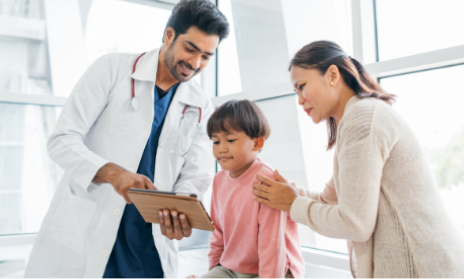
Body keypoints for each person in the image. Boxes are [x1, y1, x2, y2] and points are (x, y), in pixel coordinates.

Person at [24, 1, 229, 278]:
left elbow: (196, 173)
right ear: (169, 35)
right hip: (89, 230)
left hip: (148, 245)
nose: (195, 63)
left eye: (206, 56)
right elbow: (61, 139)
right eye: (190, 49)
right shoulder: (112, 70)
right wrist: (111, 172)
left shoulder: (200, 104)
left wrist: (181, 209)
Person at [252, 41, 464, 278]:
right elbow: (329, 200)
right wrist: (290, 193)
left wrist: (293, 204)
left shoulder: (362, 119)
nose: (300, 100)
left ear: (332, 75)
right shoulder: (358, 117)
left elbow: (354, 223)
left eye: (302, 86)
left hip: (424, 268)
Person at [191, 100, 305, 279]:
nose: (221, 149)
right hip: (230, 268)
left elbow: (272, 247)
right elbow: (217, 233)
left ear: (257, 143)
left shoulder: (266, 181)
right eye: (215, 141)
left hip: (273, 270)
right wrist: (212, 271)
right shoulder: (219, 180)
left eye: (230, 140)